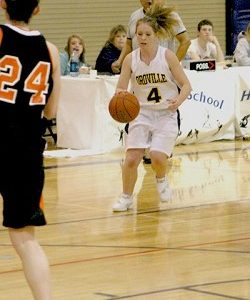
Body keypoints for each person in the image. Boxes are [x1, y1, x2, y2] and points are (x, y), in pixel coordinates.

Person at [0, 0, 60, 299]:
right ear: (37, 9)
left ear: (2, 4)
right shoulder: (49, 50)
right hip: (26, 151)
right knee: (25, 239)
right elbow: (50, 110)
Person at [112, 3, 192, 212]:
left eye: (147, 34)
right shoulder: (131, 59)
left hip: (166, 113)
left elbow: (186, 85)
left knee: (157, 156)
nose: (143, 38)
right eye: (139, 34)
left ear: (156, 35)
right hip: (140, 114)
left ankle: (162, 178)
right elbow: (121, 88)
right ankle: (126, 197)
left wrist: (178, 101)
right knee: (131, 158)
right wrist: (121, 97)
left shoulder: (167, 56)